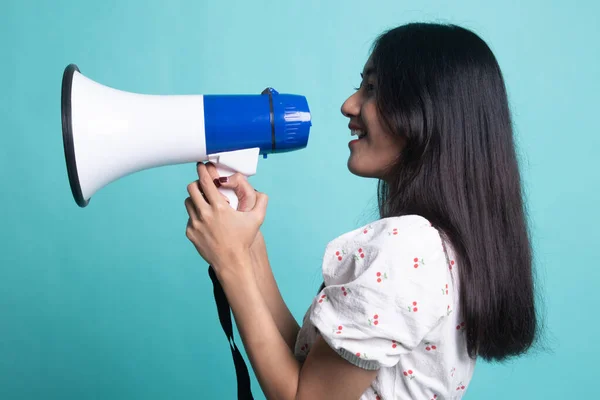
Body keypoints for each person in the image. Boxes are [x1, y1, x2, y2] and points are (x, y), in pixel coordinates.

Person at [183, 22, 539, 399]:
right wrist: (248, 249)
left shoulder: (410, 248)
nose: (349, 105)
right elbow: (305, 369)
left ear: (426, 111)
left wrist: (230, 261)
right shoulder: (439, 247)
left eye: (371, 88)